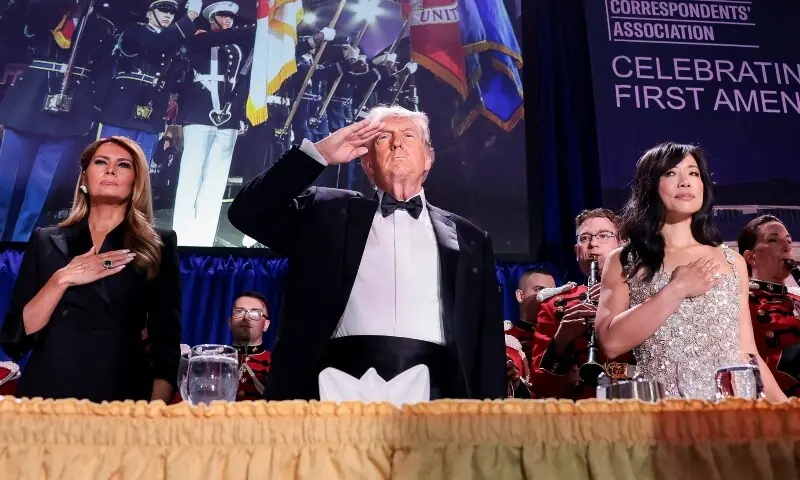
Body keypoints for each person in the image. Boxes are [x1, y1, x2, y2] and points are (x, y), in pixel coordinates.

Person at [228, 105, 505, 401]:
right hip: (333, 389)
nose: (397, 143)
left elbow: (485, 342)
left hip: (439, 395)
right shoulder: (325, 213)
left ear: (428, 158)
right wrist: (318, 154)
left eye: (409, 135)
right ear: (368, 163)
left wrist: (491, 420)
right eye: (384, 137)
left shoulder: (470, 238)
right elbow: (247, 212)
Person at [595, 142, 786, 401]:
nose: (685, 182)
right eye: (671, 173)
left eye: (693, 173)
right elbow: (610, 343)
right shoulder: (625, 260)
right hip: (667, 413)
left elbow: (746, 351)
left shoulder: (732, 261)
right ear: (650, 185)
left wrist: (785, 410)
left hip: (735, 410)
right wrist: (676, 289)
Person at [0, 136, 182, 403]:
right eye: (101, 162)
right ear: (84, 179)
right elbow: (16, 337)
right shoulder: (45, 240)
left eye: (123, 165)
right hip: (48, 390)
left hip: (121, 391)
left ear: (136, 182)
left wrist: (155, 412)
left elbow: (166, 341)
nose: (111, 170)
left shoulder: (158, 244)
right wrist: (62, 279)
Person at [0, 0, 115, 242]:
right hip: (27, 106)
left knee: (42, 188)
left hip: (71, 110)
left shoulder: (102, 26)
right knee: (7, 183)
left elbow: (105, 70)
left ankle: (22, 243)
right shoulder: (48, 10)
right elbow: (30, 15)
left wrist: (93, 108)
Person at [529, 209, 635, 399]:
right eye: (584, 238)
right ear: (577, 251)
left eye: (603, 236)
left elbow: (657, 365)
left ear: (622, 244)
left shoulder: (641, 296)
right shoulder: (554, 305)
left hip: (633, 408)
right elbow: (540, 387)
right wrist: (561, 341)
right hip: (577, 417)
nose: (593, 244)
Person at [171, 0, 253, 246]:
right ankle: (181, 235)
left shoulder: (236, 47)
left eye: (230, 17)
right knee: (191, 174)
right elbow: (210, 42)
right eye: (222, 16)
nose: (227, 21)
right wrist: (251, 30)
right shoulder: (199, 38)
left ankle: (203, 235)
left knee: (216, 179)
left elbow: (240, 81)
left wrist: (239, 113)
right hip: (199, 112)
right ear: (211, 19)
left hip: (228, 117)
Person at [98, 0, 200, 164]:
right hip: (123, 107)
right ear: (149, 13)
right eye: (162, 10)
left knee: (141, 166)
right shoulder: (136, 30)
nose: (168, 15)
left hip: (153, 111)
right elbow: (157, 44)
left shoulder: (174, 40)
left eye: (172, 12)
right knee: (111, 162)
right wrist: (190, 16)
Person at [738, 214, 800, 397]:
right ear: (751, 257)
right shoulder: (742, 301)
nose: (787, 246)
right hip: (777, 405)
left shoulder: (796, 298)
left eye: (788, 241)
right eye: (773, 240)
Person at [504, 267, 555, 397]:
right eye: (540, 290)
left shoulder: (564, 338)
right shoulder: (505, 339)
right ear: (520, 296)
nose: (548, 296)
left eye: (553, 292)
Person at [228, 290, 271, 401]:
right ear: (230, 322)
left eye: (255, 313)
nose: (246, 318)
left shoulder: (278, 364)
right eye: (239, 312)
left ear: (266, 325)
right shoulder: (214, 361)